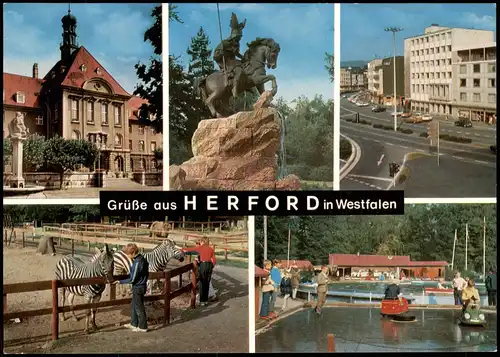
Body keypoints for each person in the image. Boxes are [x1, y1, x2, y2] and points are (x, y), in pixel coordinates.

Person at [118, 243, 149, 332]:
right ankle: (133, 323)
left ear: (132, 253)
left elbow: (132, 279)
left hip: (138, 287)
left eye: (127, 254)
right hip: (141, 286)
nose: (127, 256)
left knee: (139, 307)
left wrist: (120, 281)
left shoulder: (137, 262)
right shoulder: (142, 259)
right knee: (134, 305)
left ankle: (143, 327)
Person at [183, 238, 216, 307]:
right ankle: (206, 300)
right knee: (207, 283)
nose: (200, 243)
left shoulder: (201, 247)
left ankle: (202, 301)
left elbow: (191, 251)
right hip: (209, 265)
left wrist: (183, 250)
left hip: (203, 265)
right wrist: (211, 266)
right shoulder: (210, 249)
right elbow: (214, 259)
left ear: (203, 242)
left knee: (201, 283)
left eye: (201, 242)